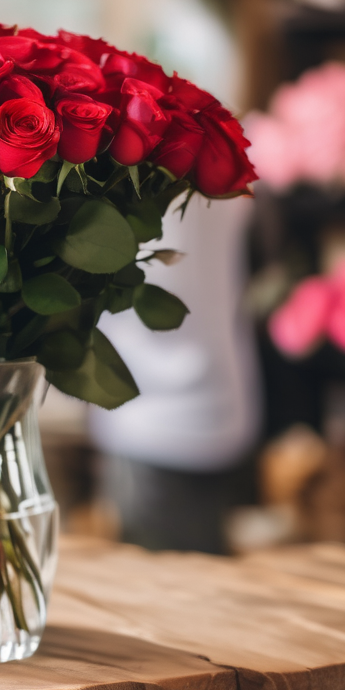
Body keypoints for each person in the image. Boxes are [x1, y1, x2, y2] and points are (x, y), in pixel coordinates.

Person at [89, 195, 261, 552]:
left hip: (155, 411)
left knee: (167, 586)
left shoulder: (152, 169)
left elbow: (159, 278)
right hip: (212, 398)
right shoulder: (221, 152)